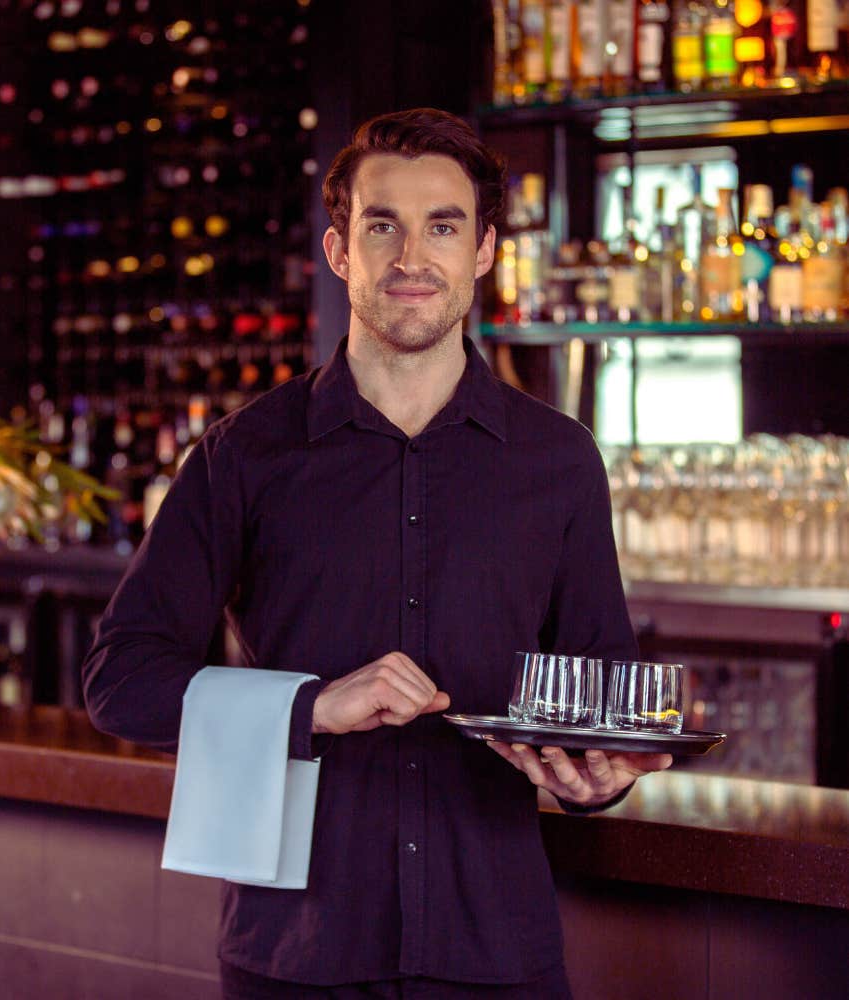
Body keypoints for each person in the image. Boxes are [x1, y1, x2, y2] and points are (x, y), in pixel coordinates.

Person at [83, 107, 672, 999]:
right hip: (296, 951)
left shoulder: (558, 460)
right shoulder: (245, 454)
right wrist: (313, 705)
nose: (411, 257)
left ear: (482, 253)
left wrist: (596, 778)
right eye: (381, 224)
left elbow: (601, 692)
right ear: (338, 250)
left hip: (497, 953)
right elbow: (120, 679)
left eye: (443, 226)